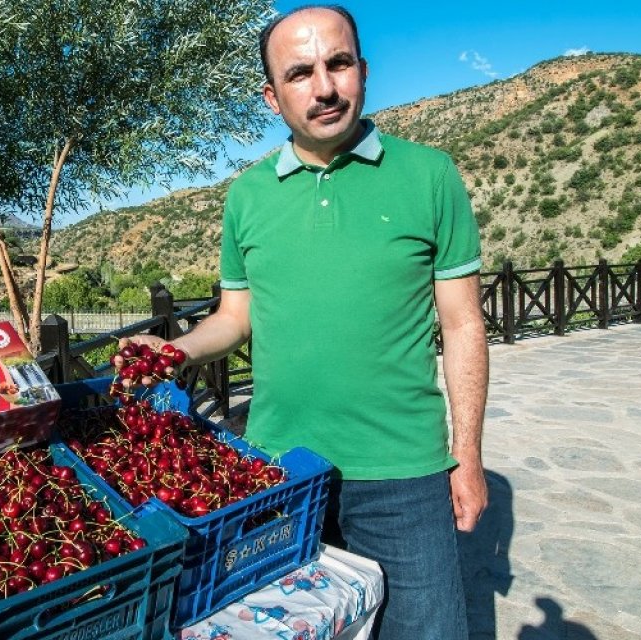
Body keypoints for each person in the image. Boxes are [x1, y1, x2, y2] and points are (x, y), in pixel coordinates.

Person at [116, 5, 488, 639]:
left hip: (403, 474)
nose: (324, 88)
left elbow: (462, 326)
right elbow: (235, 319)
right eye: (300, 73)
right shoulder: (248, 194)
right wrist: (175, 350)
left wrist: (468, 456)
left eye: (338, 64)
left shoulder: (430, 176)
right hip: (277, 473)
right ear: (272, 96)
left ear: (363, 72)